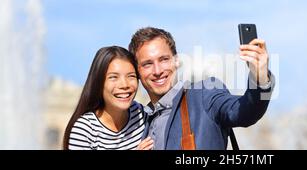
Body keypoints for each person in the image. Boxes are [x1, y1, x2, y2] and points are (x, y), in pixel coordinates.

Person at [128, 27, 275, 150]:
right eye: (147, 64)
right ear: (137, 71)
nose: (158, 70)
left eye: (164, 59)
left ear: (177, 61)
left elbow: (244, 112)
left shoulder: (204, 94)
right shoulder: (138, 124)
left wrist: (260, 78)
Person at [62, 46, 153, 150]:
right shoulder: (85, 130)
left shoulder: (140, 114)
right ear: (99, 82)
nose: (124, 85)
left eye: (131, 76)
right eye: (113, 77)